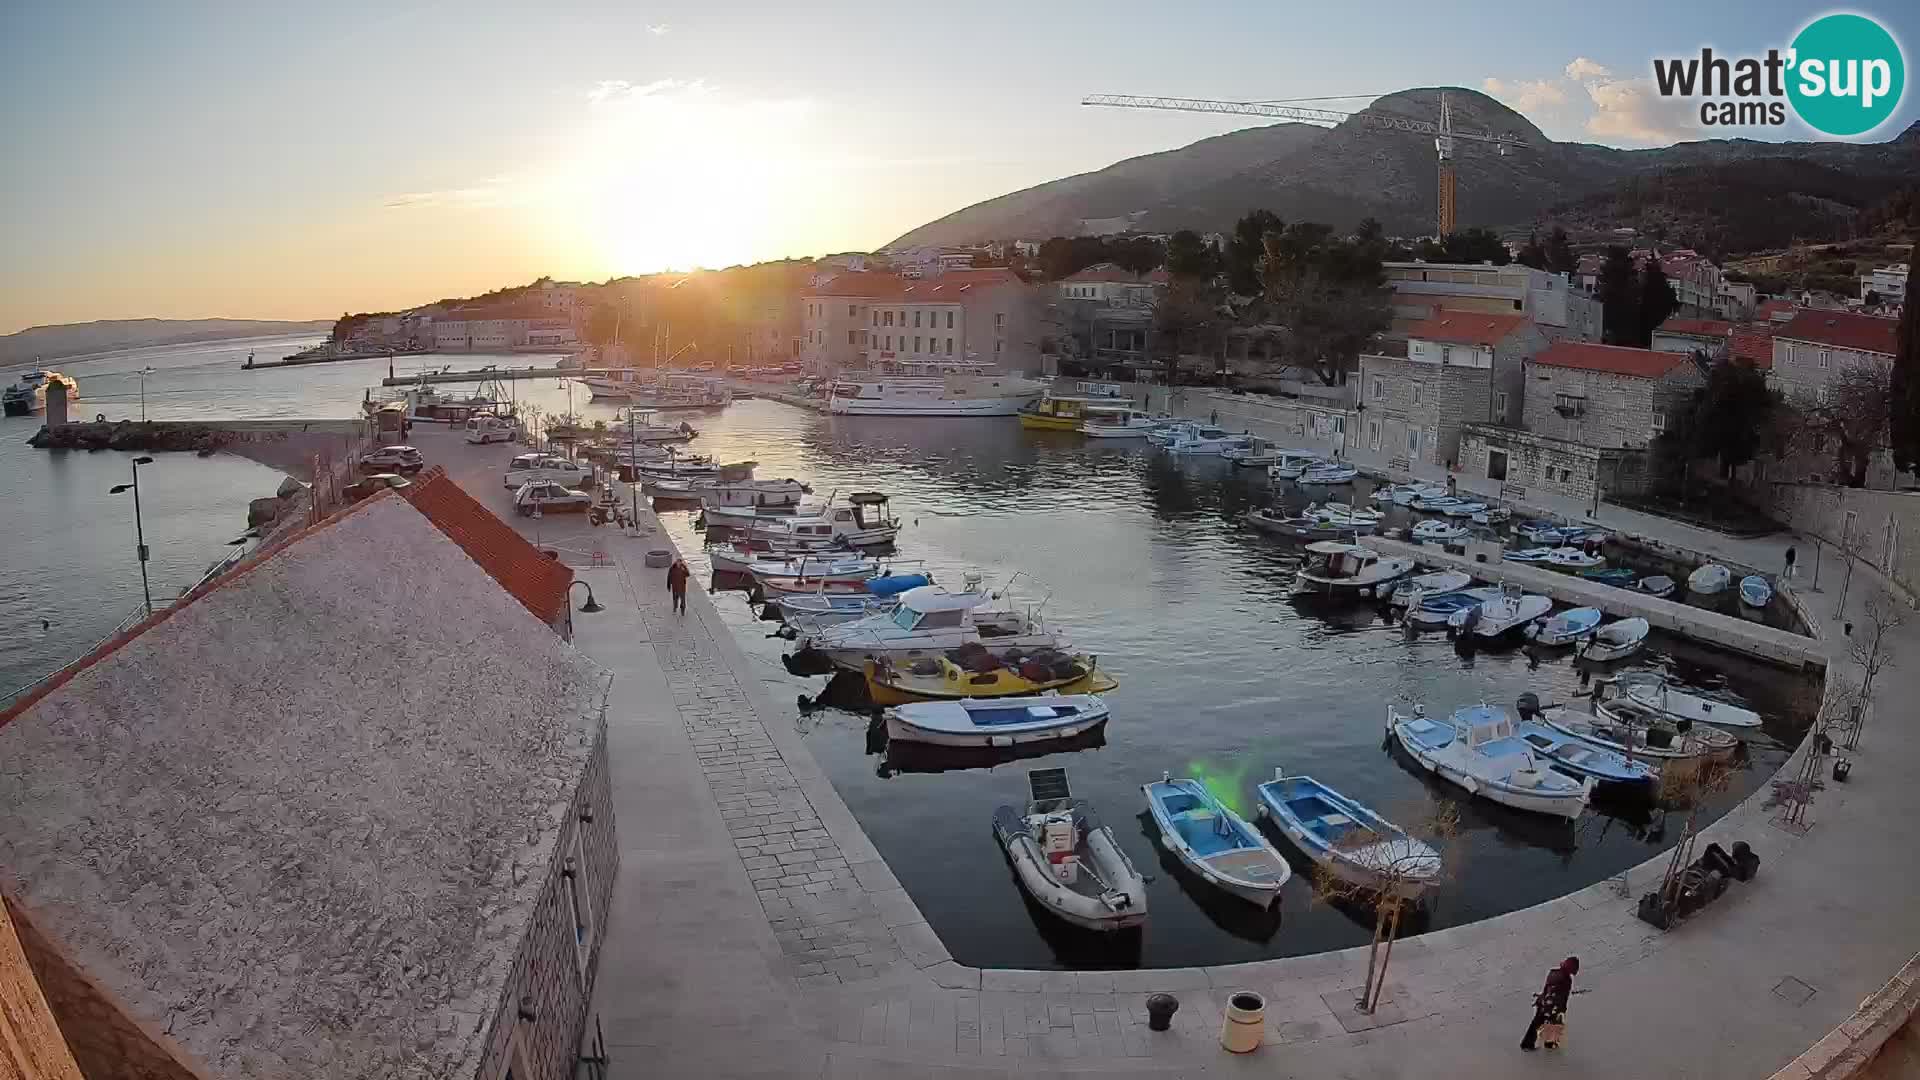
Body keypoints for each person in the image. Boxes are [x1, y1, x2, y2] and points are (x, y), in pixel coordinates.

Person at [1522, 957, 1579, 1051]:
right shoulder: (1566, 979)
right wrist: (1562, 1008)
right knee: (1554, 1024)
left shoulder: (1553, 972)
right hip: (1553, 1005)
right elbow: (1563, 996)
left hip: (1544, 1002)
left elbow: (1546, 988)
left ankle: (1527, 1044)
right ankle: (1549, 1044)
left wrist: (1542, 999)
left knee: (1536, 1022)